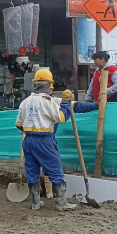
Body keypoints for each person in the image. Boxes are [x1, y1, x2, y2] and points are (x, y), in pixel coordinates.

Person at [15, 69, 76, 211]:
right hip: (44, 141)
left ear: (35, 84)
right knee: (55, 170)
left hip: (28, 141)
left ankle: (35, 203)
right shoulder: (48, 102)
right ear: (49, 85)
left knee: (32, 171)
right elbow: (61, 118)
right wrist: (66, 103)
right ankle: (61, 203)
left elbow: (18, 124)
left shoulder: (25, 102)